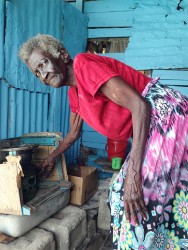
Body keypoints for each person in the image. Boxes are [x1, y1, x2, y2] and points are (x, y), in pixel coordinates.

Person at [19, 34, 188, 249]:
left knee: (141, 196)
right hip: (153, 122)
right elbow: (73, 134)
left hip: (165, 114)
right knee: (120, 195)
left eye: (43, 63)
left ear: (62, 55)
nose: (42, 75)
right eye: (37, 72)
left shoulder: (84, 64)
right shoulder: (74, 94)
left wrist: (134, 175)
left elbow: (140, 106)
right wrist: (51, 158)